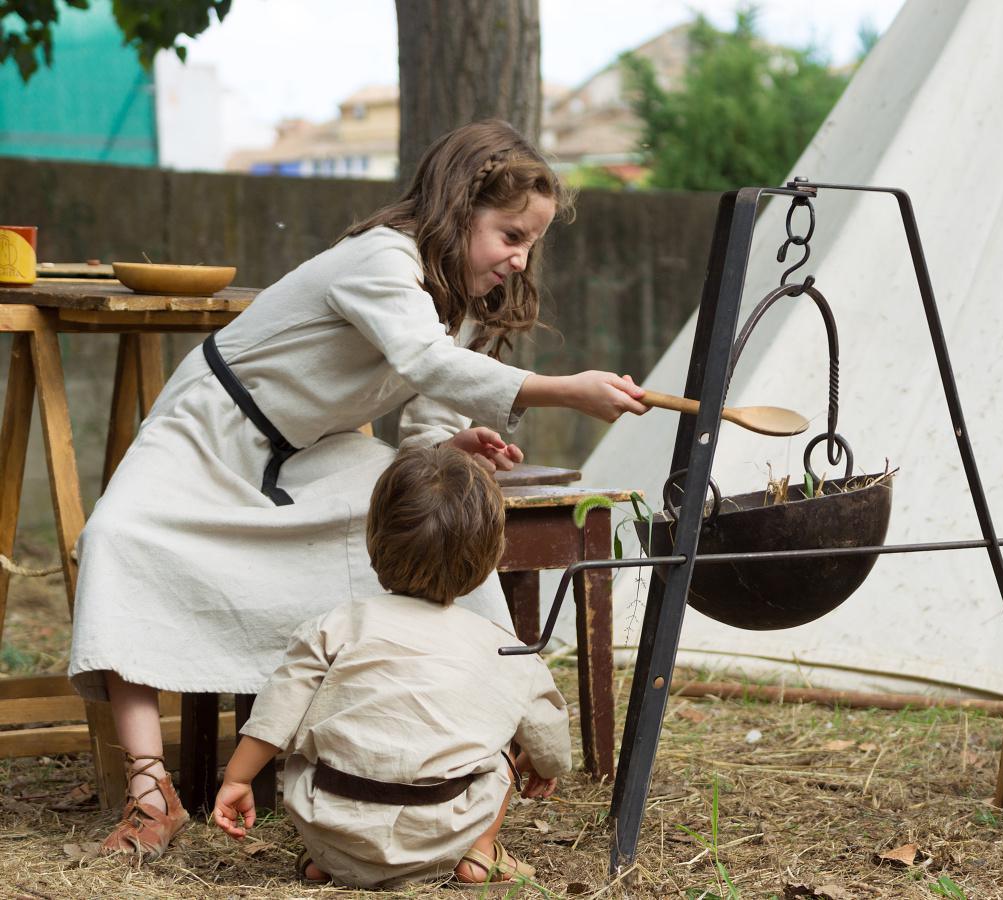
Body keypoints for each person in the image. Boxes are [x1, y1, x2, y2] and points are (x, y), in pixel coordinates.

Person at [67, 118, 646, 858]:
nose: (519, 258)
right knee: (116, 540)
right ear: (458, 209)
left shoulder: (460, 300)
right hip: (213, 427)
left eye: (529, 243)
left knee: (432, 531)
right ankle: (152, 794)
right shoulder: (380, 258)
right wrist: (566, 390)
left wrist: (449, 448)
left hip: (315, 452)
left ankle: (486, 746)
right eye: (509, 235)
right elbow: (428, 362)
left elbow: (431, 410)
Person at [212, 445, 570, 887]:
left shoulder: (335, 626)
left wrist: (238, 779)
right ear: (489, 554)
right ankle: (479, 853)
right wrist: (545, 765)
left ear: (375, 538)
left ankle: (334, 859)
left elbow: (276, 712)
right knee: (500, 750)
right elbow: (547, 726)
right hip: (445, 828)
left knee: (315, 741)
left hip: (332, 821)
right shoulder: (504, 648)